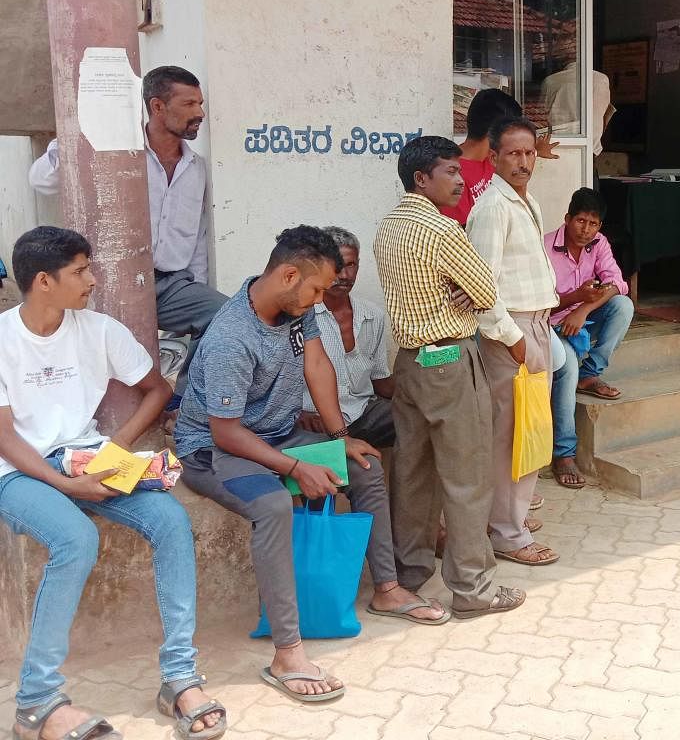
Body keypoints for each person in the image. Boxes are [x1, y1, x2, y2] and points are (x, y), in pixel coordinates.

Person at [175, 226, 442, 706]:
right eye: (317, 288)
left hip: (279, 435)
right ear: (289, 274)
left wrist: (341, 439)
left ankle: (387, 588)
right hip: (215, 451)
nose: (323, 298)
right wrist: (296, 468)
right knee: (275, 505)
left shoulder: (298, 310)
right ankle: (287, 653)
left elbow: (317, 367)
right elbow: (226, 433)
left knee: (362, 467)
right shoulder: (231, 337)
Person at [0, 227, 226, 740]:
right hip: (16, 471)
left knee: (170, 518)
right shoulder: (2, 339)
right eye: (80, 271)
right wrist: (68, 487)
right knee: (75, 539)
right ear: (43, 281)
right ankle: (36, 703)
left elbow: (157, 389)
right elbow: (4, 437)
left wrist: (116, 450)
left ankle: (179, 678)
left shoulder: (98, 330)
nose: (92, 280)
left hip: (86, 456)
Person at [374, 135, 526, 619]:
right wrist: (465, 290)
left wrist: (465, 289)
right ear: (422, 179)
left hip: (410, 363)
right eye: (451, 172)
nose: (461, 181)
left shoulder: (389, 227)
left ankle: (408, 575)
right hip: (449, 363)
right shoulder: (441, 230)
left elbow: (473, 289)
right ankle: (473, 590)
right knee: (467, 477)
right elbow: (484, 288)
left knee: (413, 474)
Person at [28, 66, 227, 402]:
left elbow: (196, 235)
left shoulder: (197, 167)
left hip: (170, 284)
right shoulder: (117, 151)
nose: (200, 114)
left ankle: (182, 405)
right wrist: (76, 136)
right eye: (190, 104)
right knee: (89, 345)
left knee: (224, 315)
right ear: (157, 106)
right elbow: (41, 180)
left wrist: (198, 284)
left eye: (200, 104)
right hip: (109, 282)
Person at [467, 116, 560, 567]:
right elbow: (482, 290)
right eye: (513, 154)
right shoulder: (491, 209)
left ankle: (510, 519)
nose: (523, 162)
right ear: (495, 157)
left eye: (528, 153)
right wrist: (514, 339)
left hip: (536, 325)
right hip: (512, 333)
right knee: (513, 435)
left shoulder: (528, 203)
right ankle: (507, 532)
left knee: (529, 430)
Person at [544, 188, 634, 489]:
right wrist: (574, 299)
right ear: (567, 219)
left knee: (623, 306)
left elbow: (617, 283)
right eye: (581, 221)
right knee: (566, 365)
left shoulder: (599, 243)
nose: (586, 230)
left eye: (593, 224)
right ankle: (564, 454)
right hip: (549, 325)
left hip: (578, 320)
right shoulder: (545, 247)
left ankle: (591, 373)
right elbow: (539, 304)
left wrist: (583, 308)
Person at [297, 227, 394, 448]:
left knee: (417, 420)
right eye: (337, 265)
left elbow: (381, 381)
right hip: (315, 421)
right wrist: (297, 412)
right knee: (359, 468)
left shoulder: (372, 315)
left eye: (351, 265)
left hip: (363, 413)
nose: (344, 275)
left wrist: (422, 386)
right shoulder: (300, 316)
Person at [441, 88, 559, 226]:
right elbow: (461, 233)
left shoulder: (492, 158)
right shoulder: (453, 174)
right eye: (512, 132)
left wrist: (535, 150)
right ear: (496, 132)